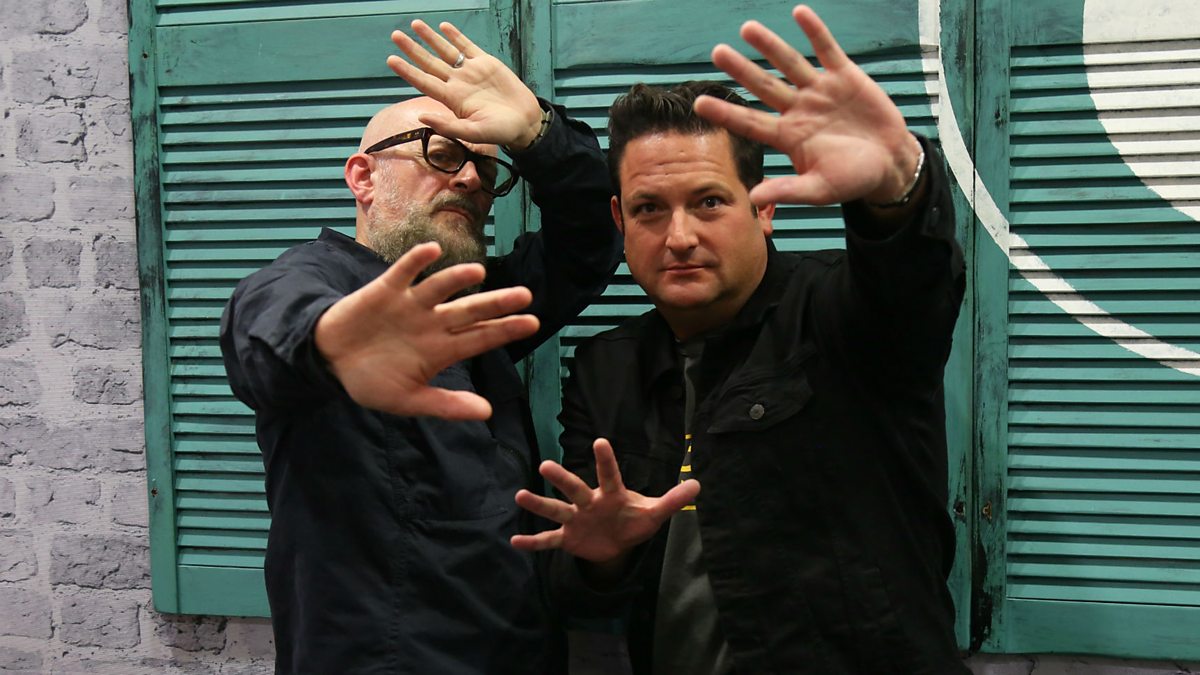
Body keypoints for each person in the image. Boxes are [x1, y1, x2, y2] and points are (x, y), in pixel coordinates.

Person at [512, 6, 968, 674]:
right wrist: (603, 558)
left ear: (764, 206)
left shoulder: (842, 314)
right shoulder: (607, 368)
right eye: (649, 209)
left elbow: (912, 277)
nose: (679, 237)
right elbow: (578, 579)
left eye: (709, 202)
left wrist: (900, 183)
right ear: (619, 219)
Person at [218, 19, 620, 674]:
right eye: (441, 153)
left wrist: (538, 135)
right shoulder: (312, 280)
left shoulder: (472, 306)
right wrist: (329, 343)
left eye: (485, 167)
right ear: (363, 177)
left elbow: (589, 242)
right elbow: (263, 325)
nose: (470, 180)